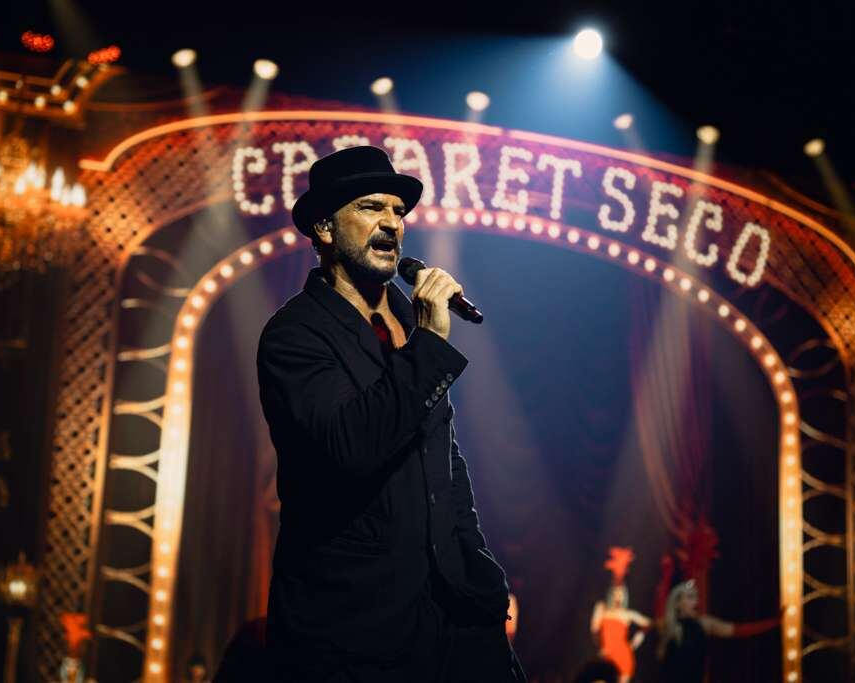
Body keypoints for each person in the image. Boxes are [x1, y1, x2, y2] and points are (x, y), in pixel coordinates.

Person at [254, 145, 523, 682]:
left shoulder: (408, 319)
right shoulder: (295, 335)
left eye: (398, 212)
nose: (391, 224)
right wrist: (426, 344)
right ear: (326, 229)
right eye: (371, 208)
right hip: (354, 620)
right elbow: (351, 448)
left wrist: (477, 561)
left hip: (452, 605)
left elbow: (443, 462)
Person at [656, 580, 782, 683]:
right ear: (677, 603)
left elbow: (739, 630)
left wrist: (773, 622)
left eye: (696, 597)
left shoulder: (705, 623)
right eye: (689, 597)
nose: (695, 602)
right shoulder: (666, 624)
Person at [590, 547, 651, 683]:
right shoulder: (602, 608)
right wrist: (601, 648)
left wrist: (636, 641)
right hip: (607, 655)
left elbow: (648, 624)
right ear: (611, 594)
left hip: (623, 655)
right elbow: (594, 631)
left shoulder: (627, 614)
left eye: (621, 594)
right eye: (616, 594)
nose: (618, 597)